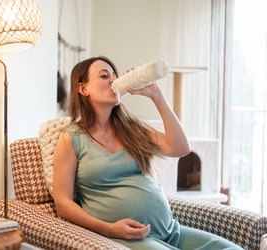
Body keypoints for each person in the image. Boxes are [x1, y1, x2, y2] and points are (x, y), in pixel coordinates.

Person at [53, 56, 243, 249]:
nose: (113, 80)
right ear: (83, 89)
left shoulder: (132, 126)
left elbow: (180, 148)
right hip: (127, 238)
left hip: (171, 232)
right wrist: (109, 229)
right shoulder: (71, 138)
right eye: (104, 75)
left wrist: (156, 96)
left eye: (114, 75)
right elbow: (63, 203)